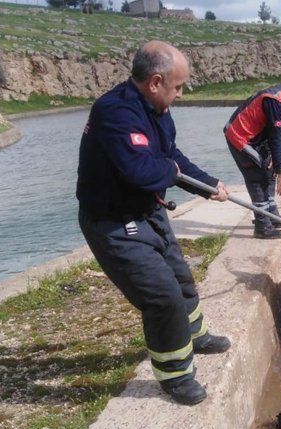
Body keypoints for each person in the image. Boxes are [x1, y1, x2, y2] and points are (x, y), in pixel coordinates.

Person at [76, 41, 232, 406]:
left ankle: (195, 335)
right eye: (178, 87)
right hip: (114, 223)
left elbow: (170, 158)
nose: (180, 94)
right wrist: (173, 172)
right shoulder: (114, 112)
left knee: (181, 279)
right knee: (163, 297)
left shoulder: (158, 111)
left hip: (148, 213)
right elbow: (141, 171)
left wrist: (209, 185)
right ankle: (175, 375)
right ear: (156, 81)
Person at [224, 74, 281, 239]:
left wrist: (275, 161)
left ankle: (272, 217)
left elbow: (277, 133)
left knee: (269, 169)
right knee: (257, 176)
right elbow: (275, 137)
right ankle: (262, 226)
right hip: (241, 137)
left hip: (258, 138)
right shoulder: (275, 100)